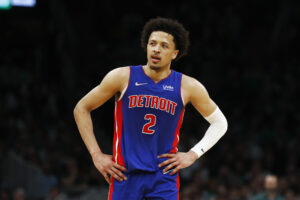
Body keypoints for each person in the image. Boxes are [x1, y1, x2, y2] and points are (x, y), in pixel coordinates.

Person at [73, 17, 228, 200]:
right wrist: (96, 155)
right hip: (125, 174)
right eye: (152, 43)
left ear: (175, 53)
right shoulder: (122, 77)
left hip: (163, 178)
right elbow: (81, 108)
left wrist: (193, 154)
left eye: (164, 46)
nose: (156, 49)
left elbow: (220, 123)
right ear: (146, 46)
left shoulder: (188, 86)